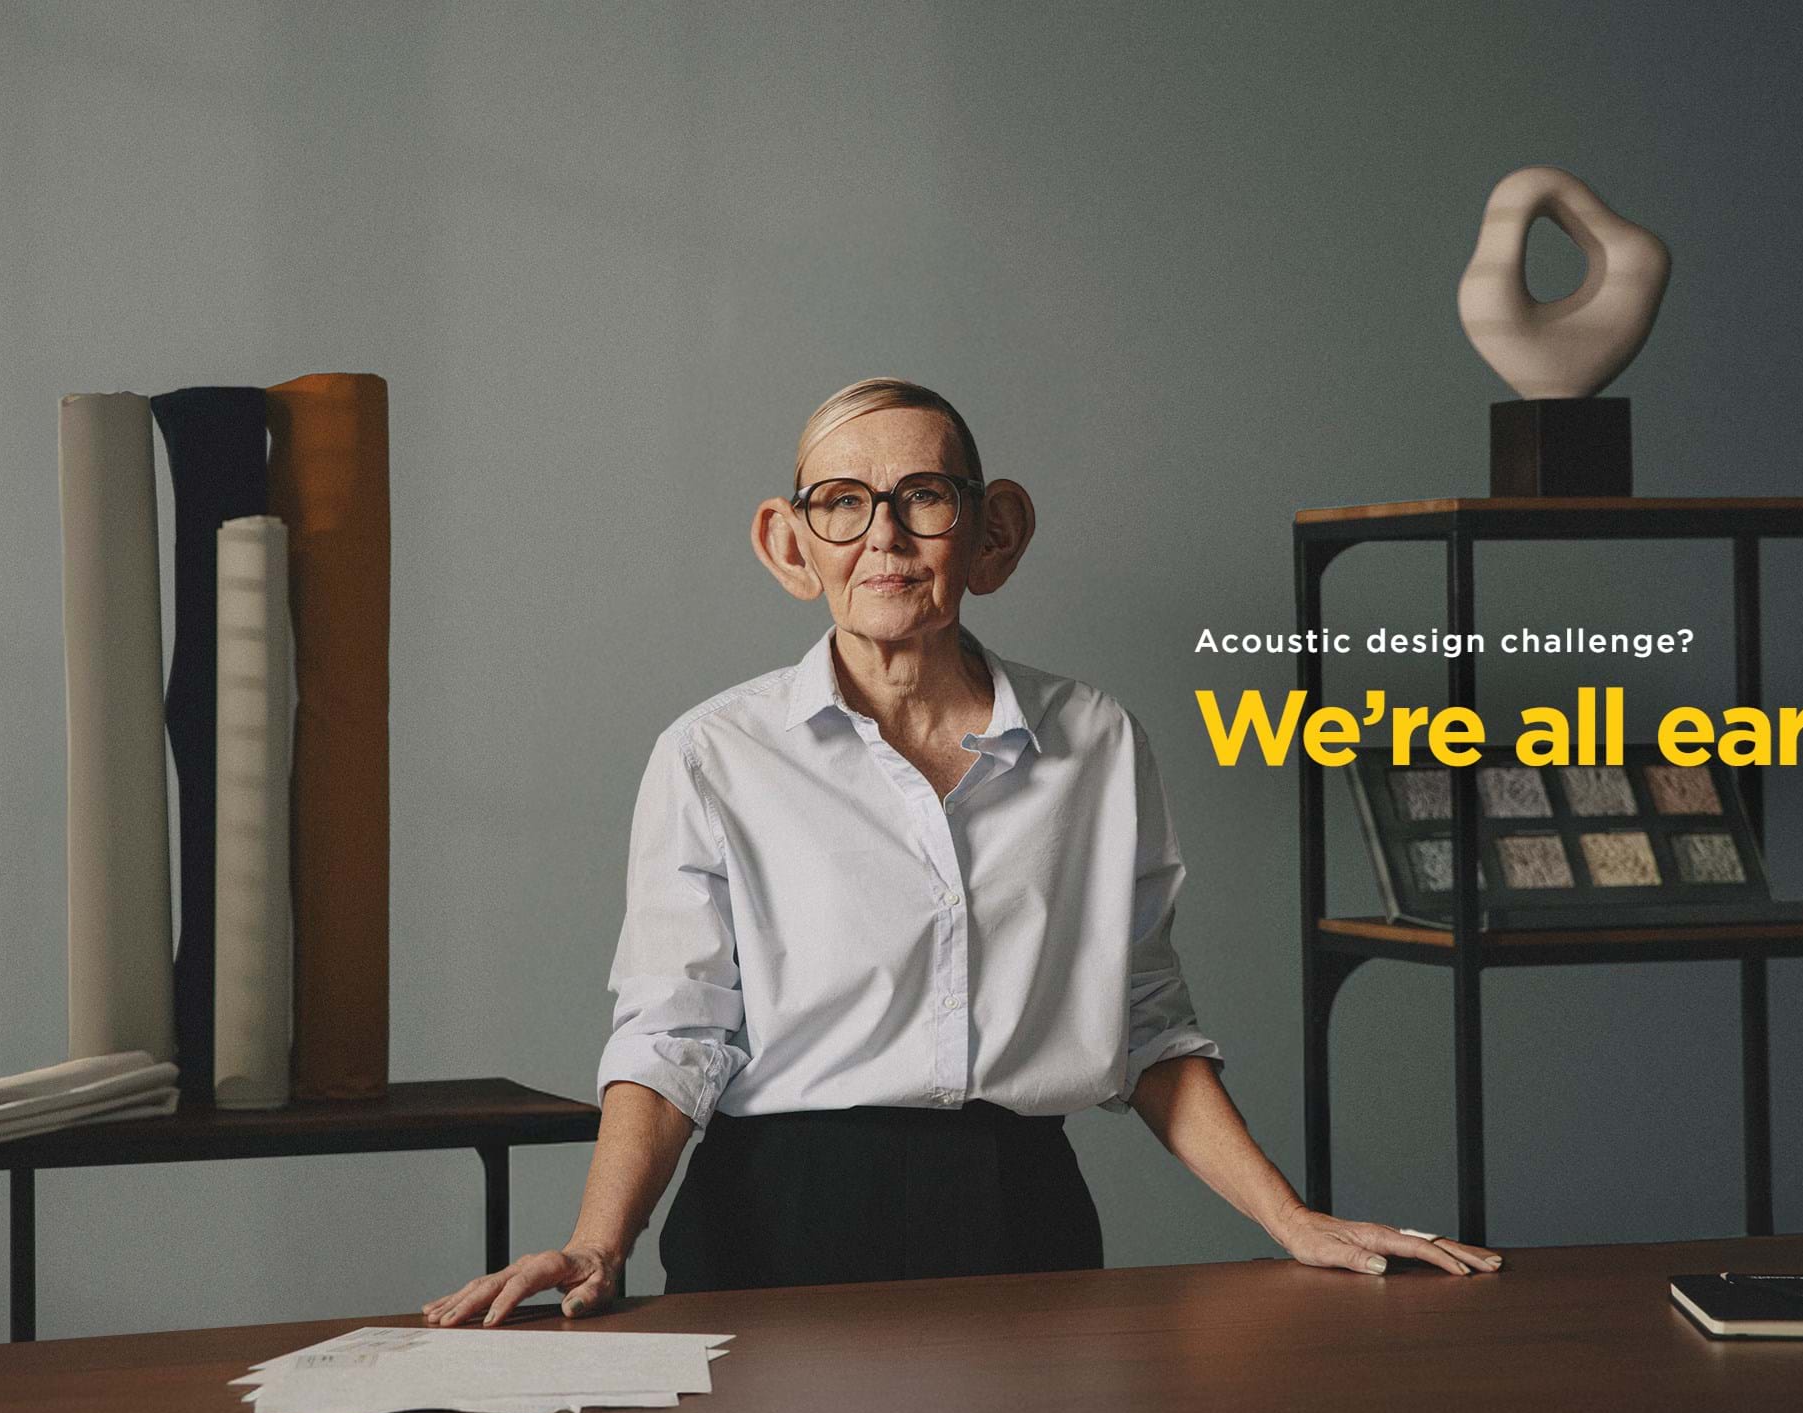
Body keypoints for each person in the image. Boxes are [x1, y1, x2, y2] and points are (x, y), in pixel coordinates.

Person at [424, 379, 1500, 1326]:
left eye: (922, 497)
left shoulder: (1095, 742)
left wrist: (1290, 1220)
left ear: (993, 534)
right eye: (842, 503)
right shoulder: (714, 754)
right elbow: (673, 1035)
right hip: (777, 1222)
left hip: (1019, 1215)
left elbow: (1146, 1024)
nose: (882, 538)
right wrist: (600, 1242)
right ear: (788, 544)